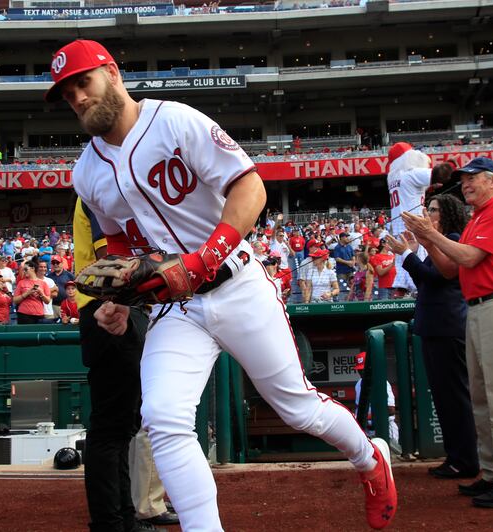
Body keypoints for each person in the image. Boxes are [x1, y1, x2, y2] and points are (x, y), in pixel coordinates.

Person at [51, 39, 395, 530]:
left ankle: (368, 458)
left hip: (237, 285)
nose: (78, 98)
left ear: (113, 72)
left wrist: (201, 260)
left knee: (299, 410)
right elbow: (119, 247)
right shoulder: (86, 172)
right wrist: (119, 299)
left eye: (83, 82)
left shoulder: (174, 120)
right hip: (178, 309)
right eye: (66, 93)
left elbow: (250, 187)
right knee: (165, 419)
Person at [403, 157, 493, 508]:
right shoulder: (477, 217)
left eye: (474, 178)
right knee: (482, 400)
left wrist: (430, 234)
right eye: (464, 179)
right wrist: (426, 239)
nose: (466, 184)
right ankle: (491, 474)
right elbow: (449, 268)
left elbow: (470, 258)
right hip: (476, 310)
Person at [73, 197, 162, 531]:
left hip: (124, 309)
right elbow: (110, 264)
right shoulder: (98, 191)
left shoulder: (114, 187)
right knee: (110, 429)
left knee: (123, 428)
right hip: (108, 311)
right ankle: (109, 522)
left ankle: (125, 518)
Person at [386, 194, 478, 479]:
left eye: (435, 210)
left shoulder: (452, 237)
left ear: (448, 213)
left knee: (454, 397)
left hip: (447, 326)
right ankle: (456, 457)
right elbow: (424, 281)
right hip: (435, 325)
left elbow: (440, 277)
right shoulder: (437, 242)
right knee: (444, 397)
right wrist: (414, 252)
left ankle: (466, 460)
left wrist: (407, 254)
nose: (429, 213)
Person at [385, 142, 455, 297]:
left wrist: (430, 186)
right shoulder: (411, 172)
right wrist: (448, 166)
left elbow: (412, 189)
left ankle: (401, 288)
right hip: (414, 221)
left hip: (398, 222)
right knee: (422, 255)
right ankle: (419, 289)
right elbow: (437, 174)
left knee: (403, 256)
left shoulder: (393, 177)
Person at [353, 353, 399, 444]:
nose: (362, 373)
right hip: (367, 431)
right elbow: (359, 407)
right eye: (360, 370)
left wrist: (368, 415)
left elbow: (391, 410)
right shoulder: (358, 384)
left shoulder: (382, 382)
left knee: (389, 456)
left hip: (385, 429)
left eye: (364, 369)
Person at [12, 260, 50, 324]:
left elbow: (47, 301)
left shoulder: (43, 283)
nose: (24, 271)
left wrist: (41, 293)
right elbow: (15, 300)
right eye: (23, 269)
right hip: (24, 313)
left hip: (39, 313)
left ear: (33, 268)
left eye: (26, 269)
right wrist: (27, 293)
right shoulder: (21, 283)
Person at [331, 232, 355, 301]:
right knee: (341, 286)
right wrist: (348, 262)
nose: (347, 238)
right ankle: (341, 301)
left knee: (352, 286)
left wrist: (353, 262)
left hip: (350, 269)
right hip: (341, 271)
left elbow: (353, 255)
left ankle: (350, 299)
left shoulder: (349, 246)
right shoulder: (337, 247)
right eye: (346, 237)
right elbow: (337, 258)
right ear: (341, 238)